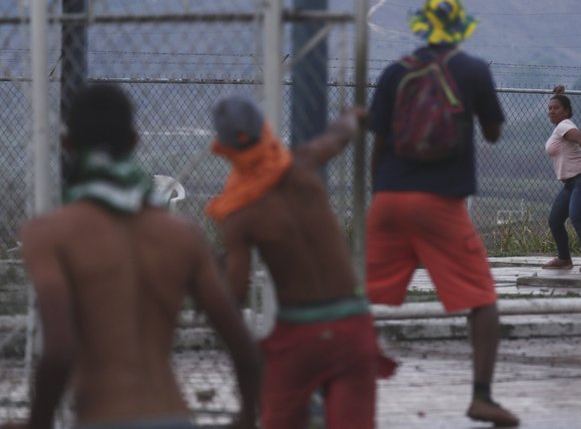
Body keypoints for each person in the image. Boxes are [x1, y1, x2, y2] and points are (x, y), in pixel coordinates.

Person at [16, 83, 261, 429]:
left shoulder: (49, 234)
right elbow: (242, 344)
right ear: (133, 141)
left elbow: (58, 350)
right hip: (171, 415)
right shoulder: (182, 236)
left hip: (103, 417)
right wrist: (247, 415)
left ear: (67, 144)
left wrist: (37, 422)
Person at [366, 0, 519, 428]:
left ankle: (333, 379)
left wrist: (382, 196)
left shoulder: (396, 72)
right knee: (482, 299)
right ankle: (482, 397)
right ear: (459, 28)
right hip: (440, 202)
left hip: (389, 199)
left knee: (363, 296)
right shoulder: (471, 70)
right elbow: (491, 133)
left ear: (422, 25)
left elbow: (379, 144)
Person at [207, 96, 395, 429]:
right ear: (265, 131)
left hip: (298, 338)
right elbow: (339, 134)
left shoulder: (239, 216)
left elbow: (234, 298)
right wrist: (353, 115)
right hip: (353, 326)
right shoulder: (304, 164)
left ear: (223, 148)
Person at [542, 85, 581, 273]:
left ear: (567, 111)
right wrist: (558, 97)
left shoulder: (564, 125)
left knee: (576, 217)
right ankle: (564, 259)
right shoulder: (560, 128)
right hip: (571, 184)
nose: (551, 111)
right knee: (555, 220)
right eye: (550, 108)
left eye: (556, 108)